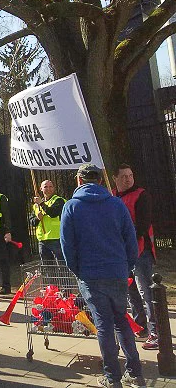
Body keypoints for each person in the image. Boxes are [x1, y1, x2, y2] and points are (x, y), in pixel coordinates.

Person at [60, 164, 145, 388]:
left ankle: (112, 378)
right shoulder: (116, 204)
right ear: (100, 181)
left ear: (79, 181)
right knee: (121, 322)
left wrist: (79, 271)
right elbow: (131, 239)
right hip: (117, 272)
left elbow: (67, 247)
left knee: (104, 326)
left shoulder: (72, 207)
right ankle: (135, 373)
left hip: (91, 275)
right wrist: (126, 266)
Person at [112, 164, 158, 350]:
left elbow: (143, 224)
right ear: (115, 178)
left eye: (130, 175)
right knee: (131, 292)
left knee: (146, 292)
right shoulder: (111, 196)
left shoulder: (141, 195)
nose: (128, 179)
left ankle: (156, 332)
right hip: (122, 254)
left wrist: (124, 238)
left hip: (141, 252)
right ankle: (140, 326)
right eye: (123, 176)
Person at [29, 180, 66, 262]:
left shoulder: (59, 200)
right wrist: (38, 218)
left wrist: (41, 204)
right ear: (41, 189)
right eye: (45, 187)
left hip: (56, 238)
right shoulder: (36, 205)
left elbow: (53, 213)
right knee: (47, 266)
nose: (48, 189)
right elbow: (32, 222)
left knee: (62, 265)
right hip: (42, 240)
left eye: (51, 186)